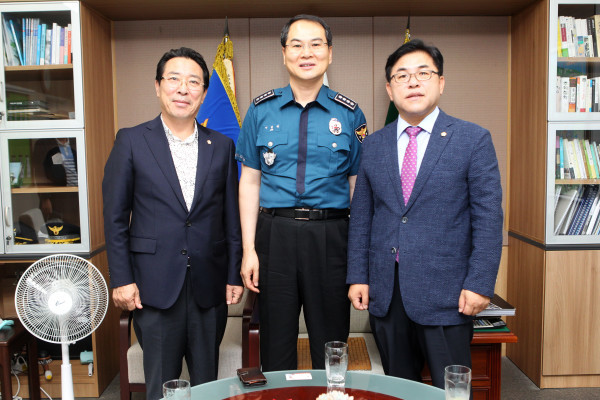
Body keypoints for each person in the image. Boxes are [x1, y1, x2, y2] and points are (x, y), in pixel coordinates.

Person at [346, 39, 503, 391]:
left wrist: (480, 283)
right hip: (387, 293)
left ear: (441, 82)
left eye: (423, 73)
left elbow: (489, 218)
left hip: (448, 294)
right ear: (390, 89)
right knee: (398, 390)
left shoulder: (472, 139)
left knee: (452, 391)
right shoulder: (374, 145)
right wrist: (358, 276)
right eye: (402, 76)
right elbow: (362, 217)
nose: (413, 82)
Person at [103, 47, 243, 400]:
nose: (183, 89)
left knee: (208, 387)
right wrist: (122, 279)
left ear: (204, 93)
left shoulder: (222, 145)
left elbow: (231, 216)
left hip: (208, 286)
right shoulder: (131, 140)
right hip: (153, 286)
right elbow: (115, 217)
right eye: (174, 79)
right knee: (161, 387)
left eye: (193, 82)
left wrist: (232, 275)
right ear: (158, 86)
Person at [235, 15, 368, 371]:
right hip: (274, 235)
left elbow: (358, 189)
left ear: (329, 53)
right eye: (296, 45)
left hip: (331, 236)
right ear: (284, 54)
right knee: (275, 342)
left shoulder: (350, 113)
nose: (306, 53)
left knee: (331, 342)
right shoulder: (260, 110)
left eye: (315, 44)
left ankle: (331, 393)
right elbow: (249, 183)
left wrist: (359, 261)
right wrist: (249, 250)